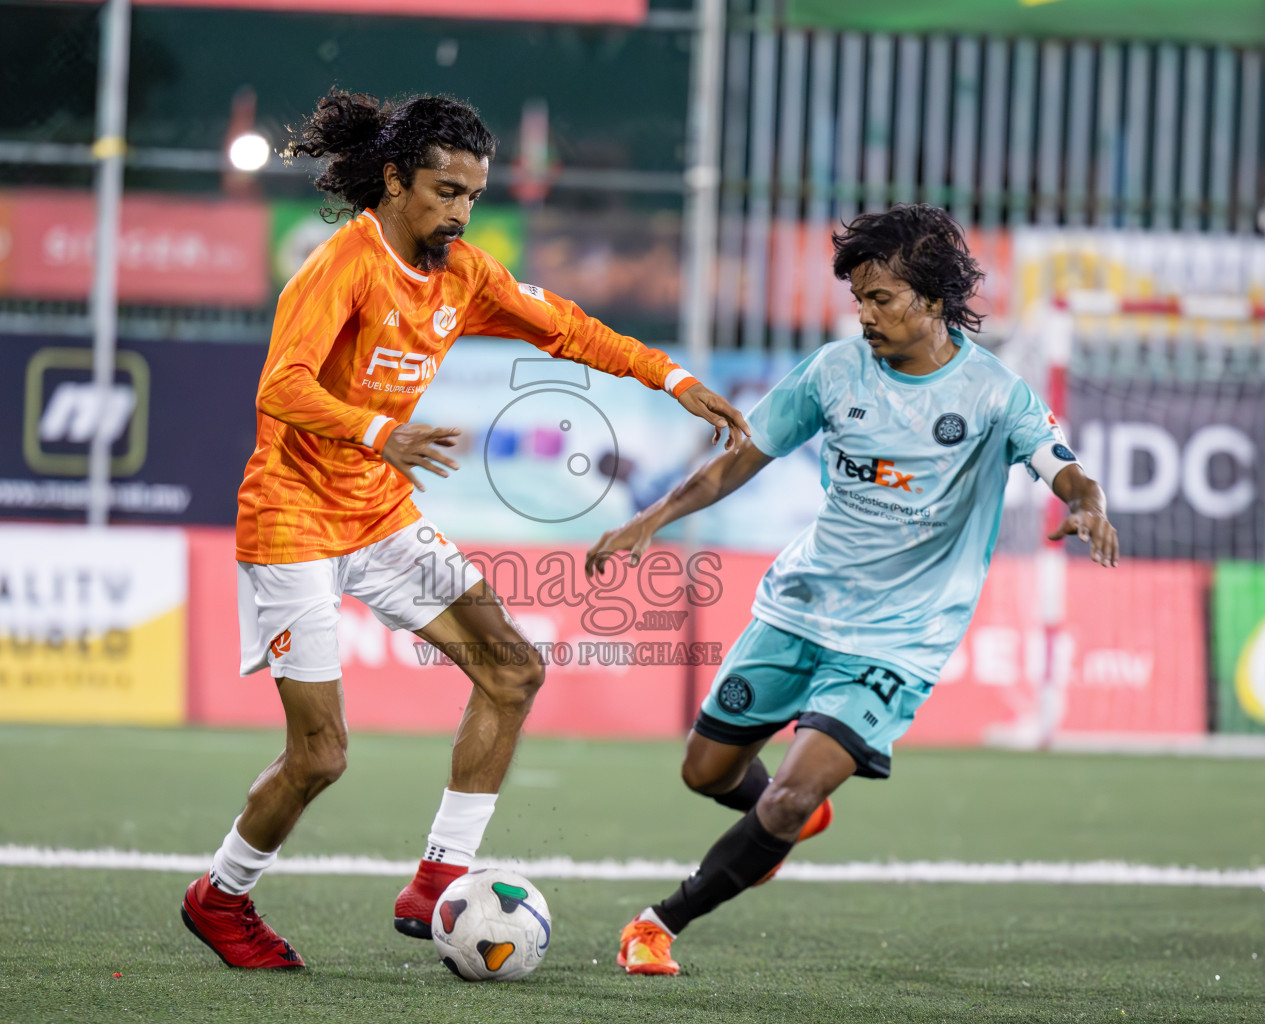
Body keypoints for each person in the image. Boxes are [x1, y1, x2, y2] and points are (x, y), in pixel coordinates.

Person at [179, 89, 750, 970]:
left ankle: (436, 877)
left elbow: (569, 330)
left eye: (473, 195)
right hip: (292, 515)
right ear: (397, 179)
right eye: (446, 191)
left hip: (376, 510)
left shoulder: (464, 275)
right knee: (322, 756)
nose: (460, 211)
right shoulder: (342, 265)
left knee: (514, 671)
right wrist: (382, 432)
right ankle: (220, 897)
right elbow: (280, 386)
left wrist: (672, 379)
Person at [585, 204, 1119, 976]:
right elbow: (740, 460)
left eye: (883, 300)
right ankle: (791, 815)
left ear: (933, 300)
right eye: (859, 300)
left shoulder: (994, 393)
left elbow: (1062, 465)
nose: (864, 316)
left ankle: (658, 923)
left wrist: (1087, 503)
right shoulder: (834, 371)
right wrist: (652, 520)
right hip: (799, 607)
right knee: (705, 773)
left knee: (785, 801)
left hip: (899, 640)